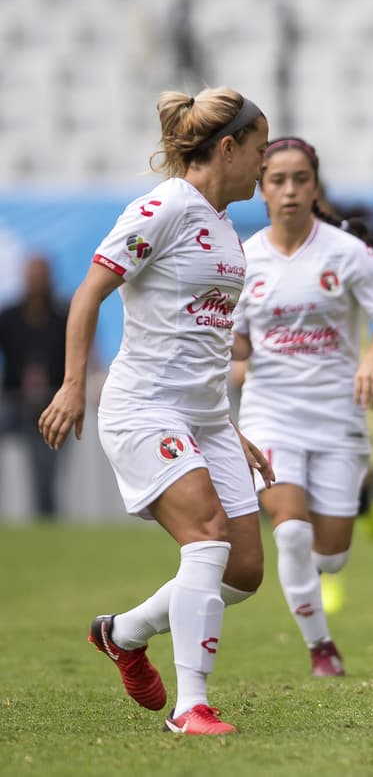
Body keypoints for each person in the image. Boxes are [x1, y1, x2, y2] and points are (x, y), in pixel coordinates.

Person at [38, 88, 274, 735]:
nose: (263, 164)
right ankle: (191, 706)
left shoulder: (226, 229)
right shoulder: (166, 207)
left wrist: (229, 425)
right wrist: (71, 383)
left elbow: (204, 343)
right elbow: (91, 289)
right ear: (228, 148)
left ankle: (123, 632)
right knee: (208, 534)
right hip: (145, 407)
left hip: (205, 416)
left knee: (246, 569)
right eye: (258, 151)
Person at [231, 136, 373, 677]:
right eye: (277, 180)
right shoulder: (242, 260)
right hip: (270, 415)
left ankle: (316, 580)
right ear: (261, 189)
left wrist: (372, 362)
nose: (288, 190)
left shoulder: (347, 252)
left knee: (330, 556)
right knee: (290, 530)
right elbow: (235, 340)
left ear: (315, 186)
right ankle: (320, 647)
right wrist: (231, 363)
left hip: (337, 418)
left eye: (299, 179)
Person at [0, 255, 69, 519]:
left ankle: (45, 521)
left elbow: (86, 352)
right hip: (13, 399)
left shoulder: (63, 315)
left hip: (51, 402)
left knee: (45, 469)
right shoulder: (9, 316)